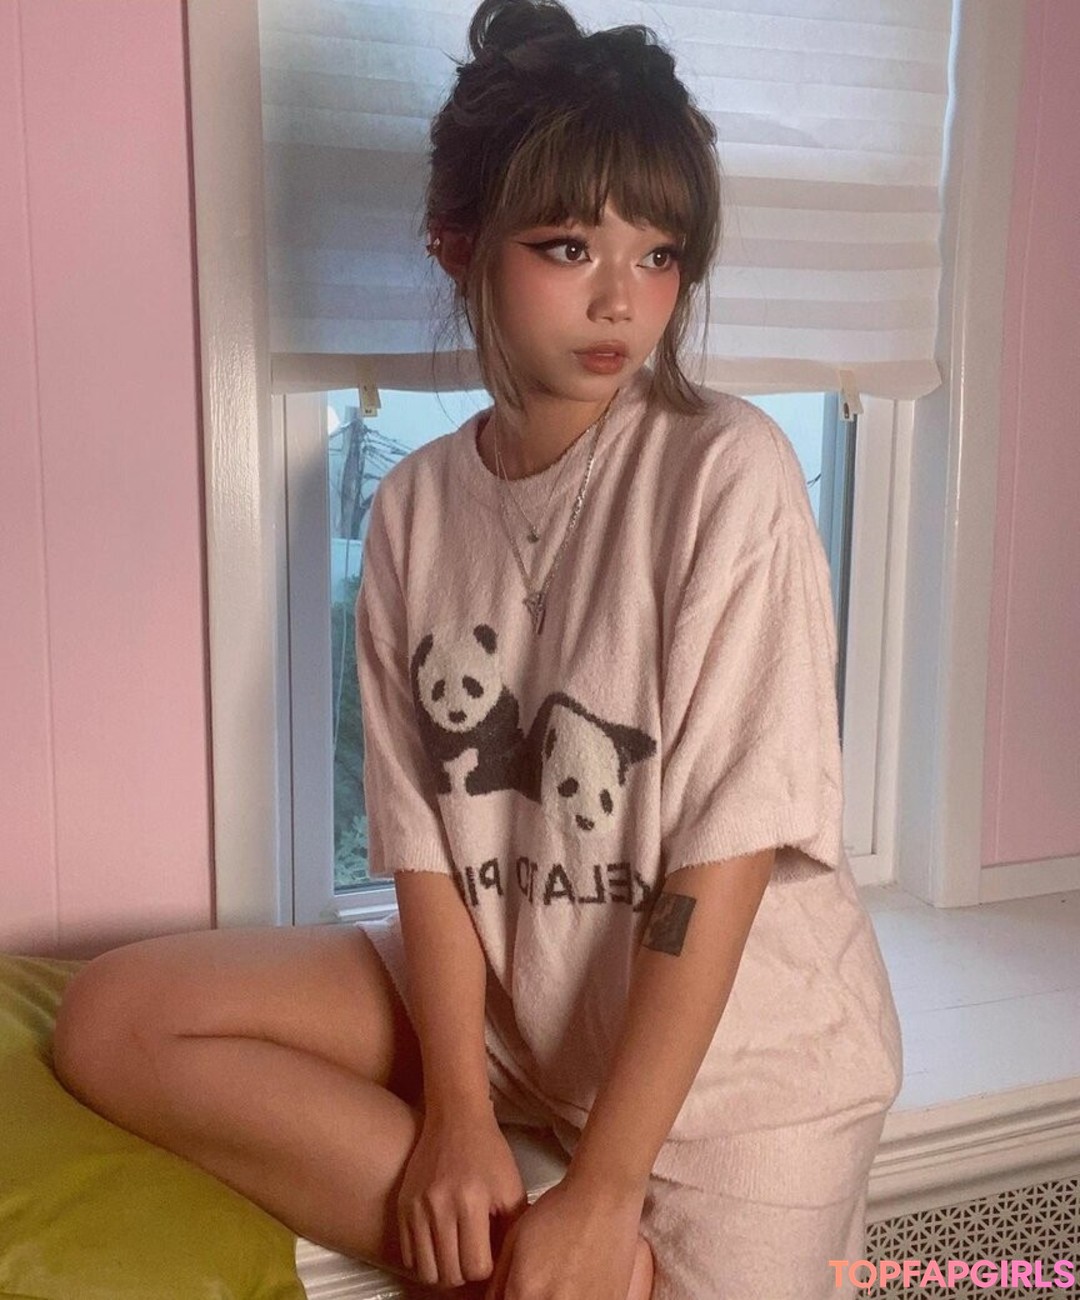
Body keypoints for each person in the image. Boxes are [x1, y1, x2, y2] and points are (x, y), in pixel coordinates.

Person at [53, 0, 903, 1295]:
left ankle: (570, 1251)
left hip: (741, 1071)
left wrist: (608, 1184)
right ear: (458, 244)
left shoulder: (729, 470)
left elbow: (720, 864)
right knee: (119, 1019)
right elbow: (429, 851)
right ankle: (528, 1240)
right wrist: (454, 1112)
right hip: (521, 1013)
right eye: (568, 246)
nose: (623, 299)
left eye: (660, 254)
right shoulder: (415, 507)